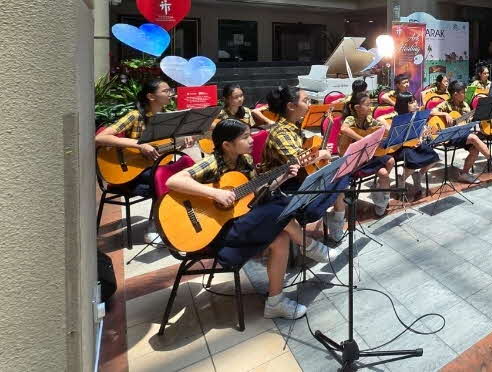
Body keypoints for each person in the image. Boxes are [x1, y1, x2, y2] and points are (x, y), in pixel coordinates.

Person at [165, 119, 326, 320]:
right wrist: (214, 194)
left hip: (239, 223)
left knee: (280, 236)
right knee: (280, 206)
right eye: (245, 137)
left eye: (250, 135)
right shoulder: (213, 162)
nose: (252, 140)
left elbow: (256, 193)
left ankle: (275, 303)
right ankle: (309, 245)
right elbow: (173, 181)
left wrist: (283, 177)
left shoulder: (246, 161)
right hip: (217, 232)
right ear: (227, 145)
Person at [95, 78, 195, 242]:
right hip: (130, 175)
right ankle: (154, 227)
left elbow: (162, 149)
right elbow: (100, 137)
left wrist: (183, 144)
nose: (171, 94)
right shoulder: (135, 116)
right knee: (166, 179)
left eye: (171, 90)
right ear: (151, 96)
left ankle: (171, 221)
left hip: (152, 168)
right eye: (166, 91)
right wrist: (139, 145)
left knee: (185, 176)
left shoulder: (166, 118)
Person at [261, 86, 343, 244]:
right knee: (338, 180)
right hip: (281, 186)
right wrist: (322, 154)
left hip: (298, 178)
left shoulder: (295, 127)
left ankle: (335, 219)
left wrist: (321, 150)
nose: (309, 105)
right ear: (291, 106)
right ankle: (327, 220)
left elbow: (304, 151)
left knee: (340, 176)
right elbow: (297, 159)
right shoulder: (280, 132)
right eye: (306, 101)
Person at [432, 80, 492, 181]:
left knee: (475, 149)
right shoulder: (446, 104)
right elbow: (432, 111)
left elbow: (468, 123)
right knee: (473, 137)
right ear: (455, 94)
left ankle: (464, 174)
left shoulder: (465, 105)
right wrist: (445, 114)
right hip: (450, 136)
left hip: (462, 134)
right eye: (463, 92)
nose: (465, 94)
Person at [340, 93, 398, 215]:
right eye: (367, 105)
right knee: (383, 173)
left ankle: (381, 195)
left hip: (369, 156)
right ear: (356, 107)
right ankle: (380, 195)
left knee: (391, 160)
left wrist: (391, 131)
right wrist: (362, 139)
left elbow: (380, 125)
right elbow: (344, 129)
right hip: (355, 159)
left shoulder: (369, 119)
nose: (371, 107)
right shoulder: (351, 119)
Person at [390, 92, 439, 200]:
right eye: (411, 102)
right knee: (413, 160)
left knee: (434, 157)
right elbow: (381, 120)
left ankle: (418, 175)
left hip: (415, 143)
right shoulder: (396, 116)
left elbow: (421, 128)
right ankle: (402, 179)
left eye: (415, 101)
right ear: (403, 104)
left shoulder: (417, 115)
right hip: (400, 147)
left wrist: (420, 139)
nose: (415, 103)